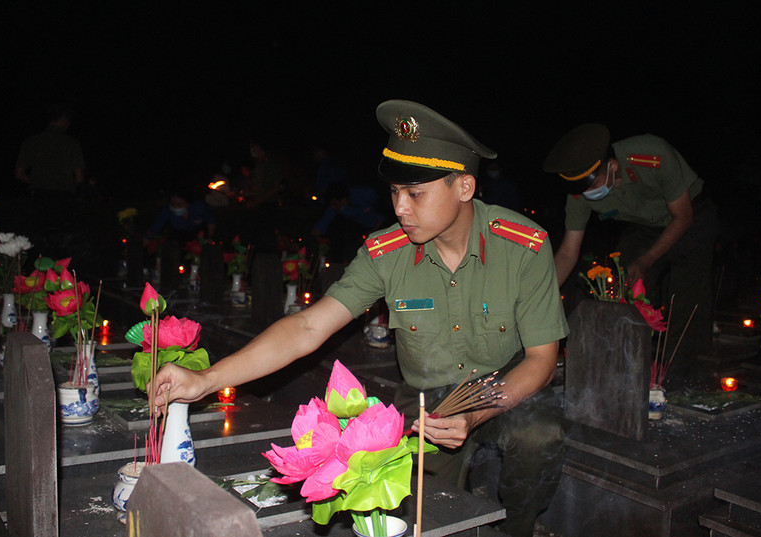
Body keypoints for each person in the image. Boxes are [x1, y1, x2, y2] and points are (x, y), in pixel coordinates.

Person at [152, 100, 569, 536]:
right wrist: (206, 380)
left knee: (538, 435)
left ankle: (518, 529)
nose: (400, 208)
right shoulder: (386, 253)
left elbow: (542, 359)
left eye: (415, 194)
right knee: (416, 515)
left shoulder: (523, 246)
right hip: (426, 400)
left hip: (503, 385)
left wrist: (475, 414)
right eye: (394, 193)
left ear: (464, 187)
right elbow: (308, 328)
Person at [543, 123, 717, 384]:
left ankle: (675, 376)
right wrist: (540, 297)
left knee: (686, 298)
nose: (588, 194)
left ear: (612, 166)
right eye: (580, 189)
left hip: (691, 218)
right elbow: (568, 252)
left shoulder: (652, 155)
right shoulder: (580, 193)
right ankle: (626, 367)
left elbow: (683, 218)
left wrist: (646, 261)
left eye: (592, 185)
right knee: (625, 287)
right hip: (646, 227)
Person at [15, 104, 85, 201]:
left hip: (37, 196)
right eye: (68, 120)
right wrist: (68, 185)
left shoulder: (31, 141)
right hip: (63, 197)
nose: (68, 124)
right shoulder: (72, 143)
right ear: (63, 119)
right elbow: (79, 178)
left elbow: (19, 174)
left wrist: (35, 181)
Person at [147, 189, 218, 242]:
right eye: (173, 203)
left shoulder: (199, 207)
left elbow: (211, 221)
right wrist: (146, 238)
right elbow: (156, 226)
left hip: (200, 235)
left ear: (187, 203)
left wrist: (210, 237)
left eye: (179, 204)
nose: (175, 207)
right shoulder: (168, 210)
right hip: (179, 236)